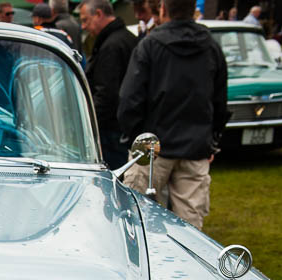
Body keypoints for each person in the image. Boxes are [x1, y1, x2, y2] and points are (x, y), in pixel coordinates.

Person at [118, 0, 227, 230]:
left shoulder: (150, 45)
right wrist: (212, 138)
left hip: (155, 148)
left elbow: (130, 99)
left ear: (163, 9)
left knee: (139, 221)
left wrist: (136, 138)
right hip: (188, 147)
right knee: (189, 225)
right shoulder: (211, 47)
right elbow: (219, 99)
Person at [80, 0, 138, 169]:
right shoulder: (126, 38)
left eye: (85, 20)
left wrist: (88, 123)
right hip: (124, 124)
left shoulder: (111, 45)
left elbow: (106, 93)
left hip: (111, 130)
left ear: (98, 14)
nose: (83, 26)